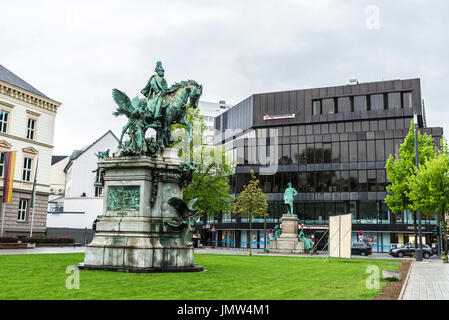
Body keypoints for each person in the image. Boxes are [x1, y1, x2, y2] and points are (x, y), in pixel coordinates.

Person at [141, 61, 169, 126]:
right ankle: (156, 113)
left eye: (163, 72)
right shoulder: (155, 78)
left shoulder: (164, 80)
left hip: (164, 93)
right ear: (158, 72)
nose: (163, 73)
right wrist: (158, 91)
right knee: (160, 99)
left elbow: (166, 87)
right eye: (162, 72)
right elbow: (152, 84)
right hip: (156, 94)